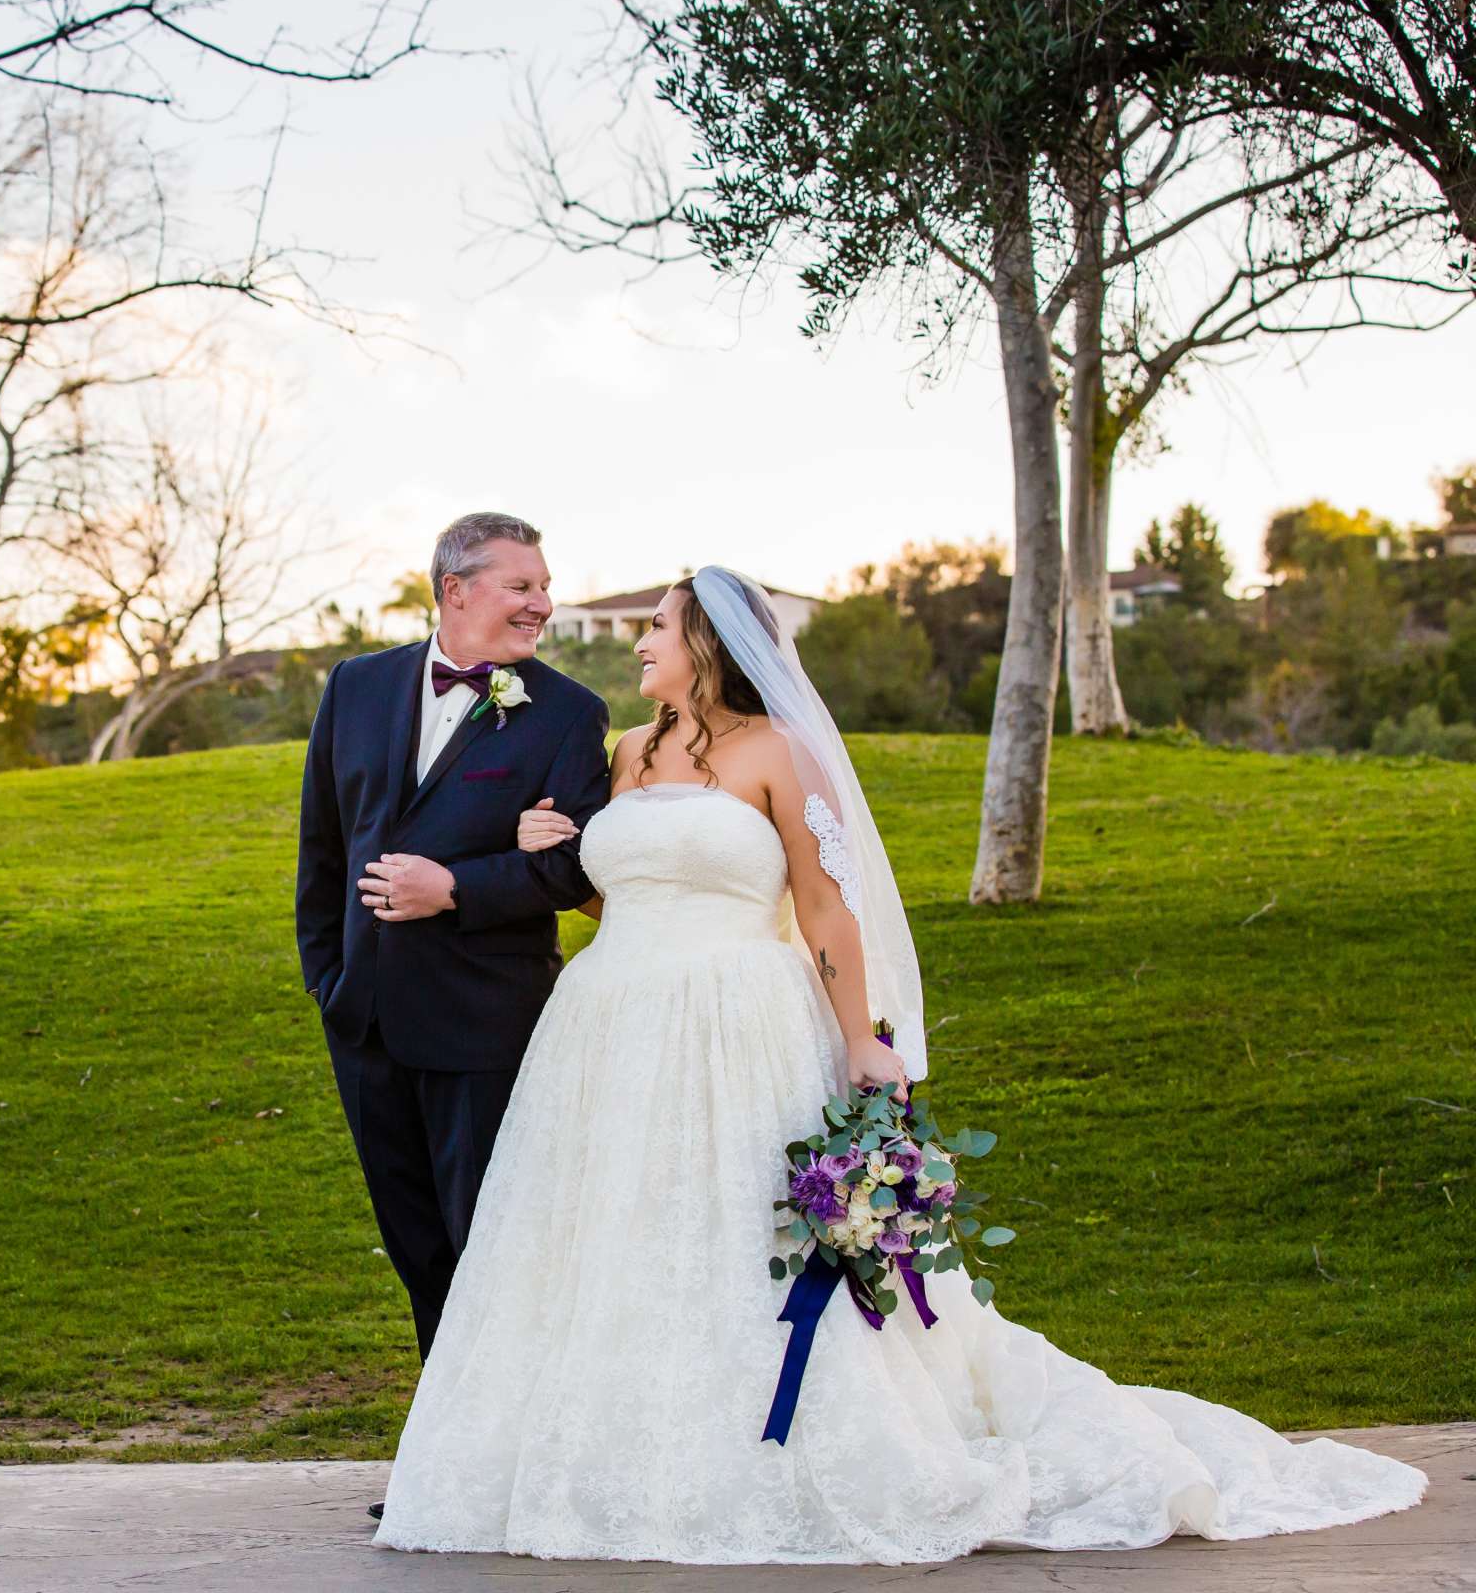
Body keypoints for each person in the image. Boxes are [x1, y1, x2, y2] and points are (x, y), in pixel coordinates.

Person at [372, 568, 1426, 1563]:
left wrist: (867, 1039)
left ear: (704, 642)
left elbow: (825, 906)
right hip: (607, 1027)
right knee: (619, 1235)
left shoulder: (781, 749)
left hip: (738, 1021)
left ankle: (785, 1451)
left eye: (657, 623)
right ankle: (608, 1455)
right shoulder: (628, 752)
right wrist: (552, 839)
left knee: (740, 1236)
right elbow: (622, 891)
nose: (640, 640)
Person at [295, 511, 611, 1381]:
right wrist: (330, 980)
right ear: (455, 589)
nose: (542, 604)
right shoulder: (355, 686)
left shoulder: (568, 715)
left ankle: (498, 1468)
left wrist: (458, 889)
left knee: (487, 1247)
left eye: (543, 586)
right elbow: (324, 847)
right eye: (523, 586)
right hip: (365, 1023)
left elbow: (576, 873)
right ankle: (445, 1467)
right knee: (418, 1252)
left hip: (484, 1022)